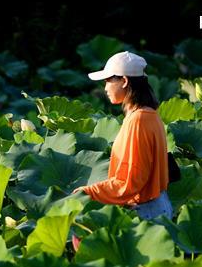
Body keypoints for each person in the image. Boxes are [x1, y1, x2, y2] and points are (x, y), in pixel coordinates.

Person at [73, 51, 172, 221]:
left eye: (108, 81)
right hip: (157, 205)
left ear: (124, 81)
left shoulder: (138, 119)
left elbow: (130, 181)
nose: (105, 88)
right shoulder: (150, 114)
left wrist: (88, 191)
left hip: (148, 212)